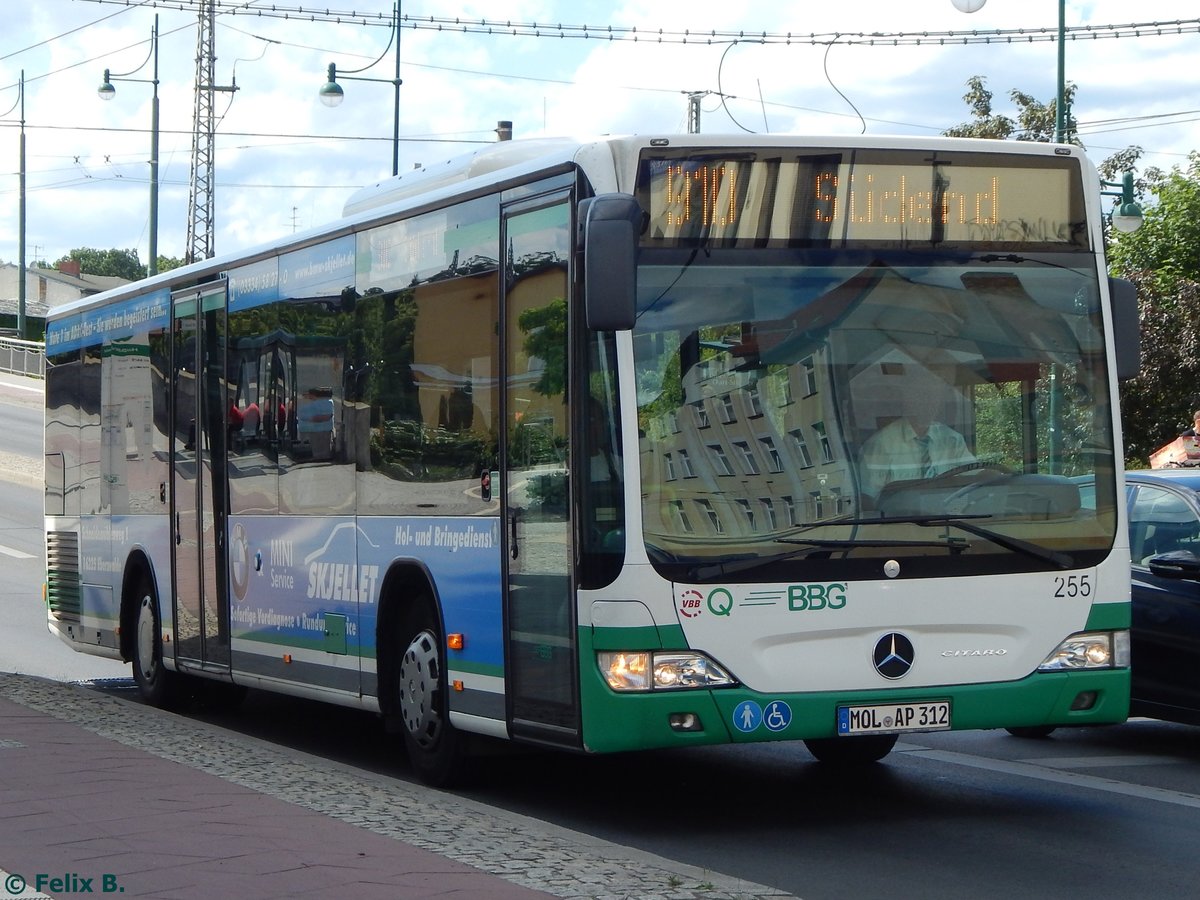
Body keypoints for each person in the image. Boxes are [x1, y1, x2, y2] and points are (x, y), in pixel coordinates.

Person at [859, 392, 975, 503]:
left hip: (949, 518)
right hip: (899, 521)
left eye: (934, 399)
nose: (929, 405)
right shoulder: (882, 443)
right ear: (907, 402)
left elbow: (975, 477)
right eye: (922, 398)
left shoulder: (952, 440)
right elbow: (866, 498)